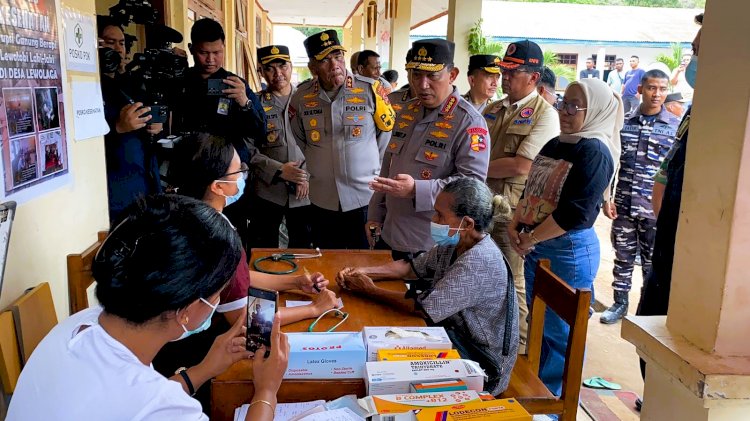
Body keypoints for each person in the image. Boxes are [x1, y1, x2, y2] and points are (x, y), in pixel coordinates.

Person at [7, 194, 288, 420]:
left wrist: (204, 369)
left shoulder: (79, 325)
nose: (218, 303)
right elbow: (146, 402)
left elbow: (135, 397)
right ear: (187, 309)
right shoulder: (165, 407)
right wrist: (266, 391)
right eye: (218, 294)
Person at [158, 133, 337, 410]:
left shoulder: (179, 214)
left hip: (162, 347)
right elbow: (248, 323)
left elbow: (236, 278)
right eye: (239, 171)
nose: (244, 176)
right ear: (219, 186)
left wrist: (293, 281)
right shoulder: (218, 236)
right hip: (191, 360)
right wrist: (314, 309)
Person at [338, 177, 518, 395]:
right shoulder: (455, 242)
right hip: (451, 336)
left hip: (481, 362)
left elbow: (423, 308)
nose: (434, 219)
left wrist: (369, 290)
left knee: (381, 363)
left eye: (440, 215)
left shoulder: (479, 261)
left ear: (467, 224)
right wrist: (361, 273)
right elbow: (410, 268)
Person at [508, 78, 623, 396]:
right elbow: (531, 188)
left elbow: (574, 214)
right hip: (538, 245)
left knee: (561, 334)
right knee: (541, 325)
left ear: (596, 110)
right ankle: (538, 395)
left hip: (567, 251)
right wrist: (515, 225)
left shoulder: (595, 152)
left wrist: (530, 237)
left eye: (575, 105)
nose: (565, 111)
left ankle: (556, 404)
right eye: (563, 102)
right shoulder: (556, 143)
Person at [367, 39, 490, 260]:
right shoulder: (406, 111)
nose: (422, 85)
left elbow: (472, 185)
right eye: (416, 75)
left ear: (452, 75)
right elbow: (388, 166)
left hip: (429, 244)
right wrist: (375, 214)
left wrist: (417, 189)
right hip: (389, 233)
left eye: (432, 76)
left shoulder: (469, 122)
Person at [637, 12, 703, 386]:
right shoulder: (697, 111)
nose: (692, 63)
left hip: (695, 267)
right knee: (651, 341)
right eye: (692, 52)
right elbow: (669, 168)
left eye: (699, 51)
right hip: (669, 249)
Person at [483, 39, 560, 352]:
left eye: (513, 73)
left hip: (511, 213)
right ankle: (489, 342)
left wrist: (477, 168)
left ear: (533, 77)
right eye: (503, 71)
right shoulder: (493, 109)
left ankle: (520, 352)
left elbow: (522, 165)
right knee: (484, 276)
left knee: (512, 281)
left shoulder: (545, 115)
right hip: (481, 208)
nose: (504, 78)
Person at [290, 30, 395, 249]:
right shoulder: (301, 97)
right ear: (313, 68)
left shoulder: (370, 90)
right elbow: (301, 139)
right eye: (325, 60)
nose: (334, 65)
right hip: (322, 200)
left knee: (365, 260)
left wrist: (366, 165)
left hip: (364, 197)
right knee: (328, 260)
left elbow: (384, 136)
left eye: (338, 56)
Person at [173, 18, 266, 247]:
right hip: (191, 176)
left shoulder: (235, 84)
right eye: (204, 53)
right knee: (193, 237)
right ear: (192, 49)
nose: (211, 59)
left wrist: (245, 102)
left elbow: (261, 132)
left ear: (224, 47)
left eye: (217, 52)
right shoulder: (179, 83)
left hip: (228, 175)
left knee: (232, 235)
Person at [600, 69, 680, 324]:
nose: (657, 94)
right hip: (624, 205)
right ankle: (619, 303)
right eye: (652, 88)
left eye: (662, 89)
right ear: (641, 89)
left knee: (652, 262)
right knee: (622, 256)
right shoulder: (626, 125)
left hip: (655, 209)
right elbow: (612, 164)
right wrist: (607, 198)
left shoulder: (675, 128)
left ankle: (646, 311)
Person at [97, 16, 162, 222]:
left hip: (145, 183)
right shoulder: (86, 85)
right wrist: (117, 128)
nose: (117, 49)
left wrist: (154, 126)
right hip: (113, 192)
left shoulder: (132, 83)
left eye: (121, 43)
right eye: (109, 42)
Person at [248, 45, 312, 248]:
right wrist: (279, 170)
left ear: (291, 66)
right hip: (268, 190)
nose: (278, 74)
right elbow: (247, 149)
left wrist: (304, 175)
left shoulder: (309, 101)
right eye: (270, 68)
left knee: (303, 248)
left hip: (307, 193)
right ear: (261, 72)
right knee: (263, 247)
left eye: (282, 66)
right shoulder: (254, 104)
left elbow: (325, 146)